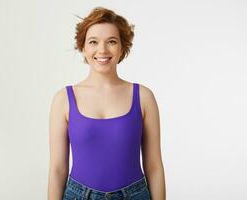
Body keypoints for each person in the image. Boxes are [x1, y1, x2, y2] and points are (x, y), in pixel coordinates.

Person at [48, 7, 166, 200]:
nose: (102, 50)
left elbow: (154, 166)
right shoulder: (63, 99)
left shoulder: (144, 97)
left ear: (122, 47)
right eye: (93, 42)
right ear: (83, 48)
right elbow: (57, 170)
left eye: (111, 41)